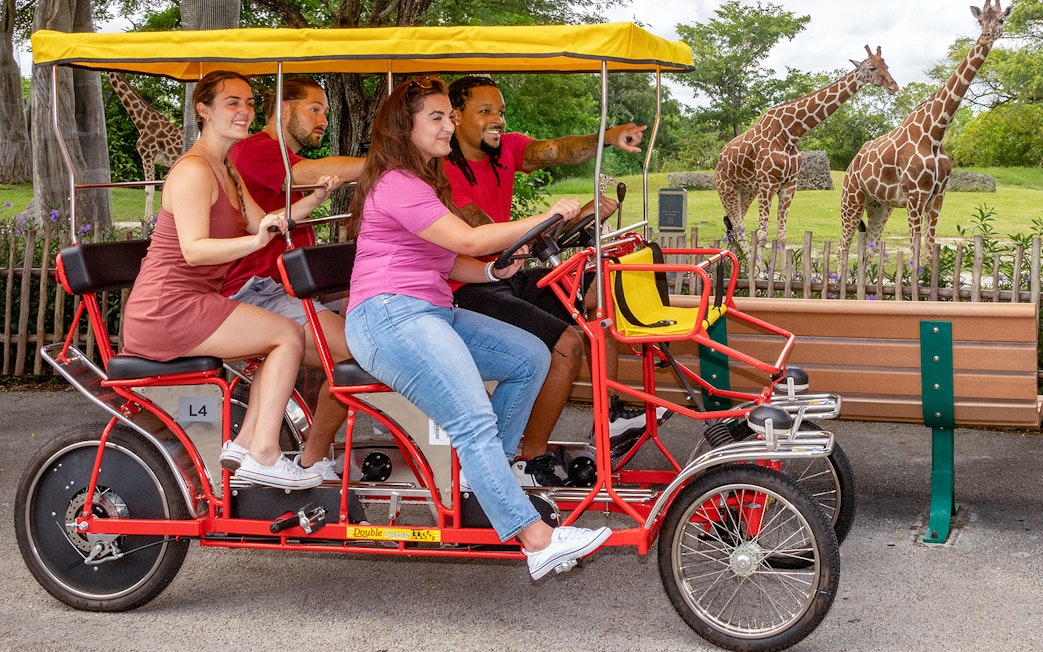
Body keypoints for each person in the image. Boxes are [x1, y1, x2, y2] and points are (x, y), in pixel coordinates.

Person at [343, 75, 611, 579]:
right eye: (437, 118)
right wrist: (544, 215)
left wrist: (492, 271)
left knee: (528, 357)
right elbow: (467, 235)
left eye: (449, 116)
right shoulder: (397, 183)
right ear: (407, 127)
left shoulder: (424, 180)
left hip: (429, 309)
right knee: (472, 421)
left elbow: (446, 260)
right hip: (388, 317)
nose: (448, 128)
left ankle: (483, 483)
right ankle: (537, 540)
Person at [121, 70, 342, 490]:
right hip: (168, 308)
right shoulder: (193, 171)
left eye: (249, 104)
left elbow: (269, 224)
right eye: (232, 103)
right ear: (204, 110)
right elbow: (194, 250)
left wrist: (312, 198)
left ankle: (245, 446)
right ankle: (262, 453)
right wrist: (253, 241)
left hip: (197, 300)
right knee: (287, 336)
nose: (244, 112)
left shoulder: (226, 169)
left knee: (283, 335)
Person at [445, 75, 663, 484]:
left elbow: (556, 150)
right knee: (566, 345)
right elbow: (483, 229)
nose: (498, 120)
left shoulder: (505, 149)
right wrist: (552, 223)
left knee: (601, 285)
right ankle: (531, 457)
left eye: (501, 112)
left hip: (506, 275)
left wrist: (608, 138)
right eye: (485, 111)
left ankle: (612, 412)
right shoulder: (442, 168)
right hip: (466, 287)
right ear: (455, 116)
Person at [223, 77, 364, 481]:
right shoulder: (255, 150)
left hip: (290, 289)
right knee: (358, 354)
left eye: (324, 111)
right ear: (284, 112)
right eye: (314, 109)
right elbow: (309, 174)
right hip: (257, 291)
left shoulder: (278, 155)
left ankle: (320, 452)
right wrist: (391, 162)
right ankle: (314, 461)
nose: (322, 119)